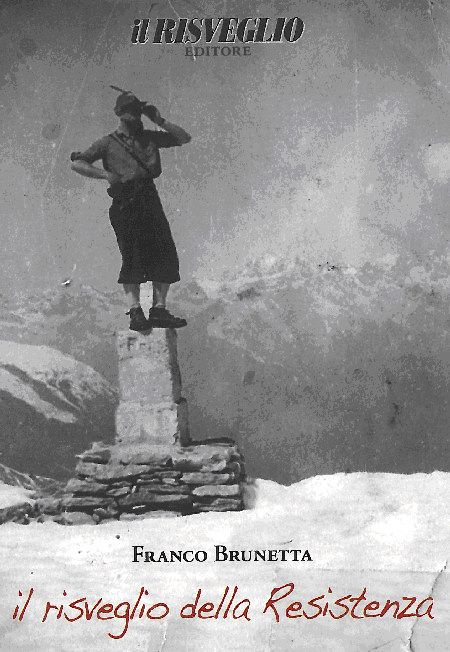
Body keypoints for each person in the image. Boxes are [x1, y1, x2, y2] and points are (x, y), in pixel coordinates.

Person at [70, 92, 191, 330]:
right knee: (132, 255)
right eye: (130, 110)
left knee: (164, 251)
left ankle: (159, 310)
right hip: (125, 199)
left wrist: (160, 120)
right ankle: (135, 311)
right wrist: (105, 174)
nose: (135, 115)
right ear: (119, 113)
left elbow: (183, 138)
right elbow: (77, 163)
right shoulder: (107, 143)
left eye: (137, 110)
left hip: (148, 196)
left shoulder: (149, 137)